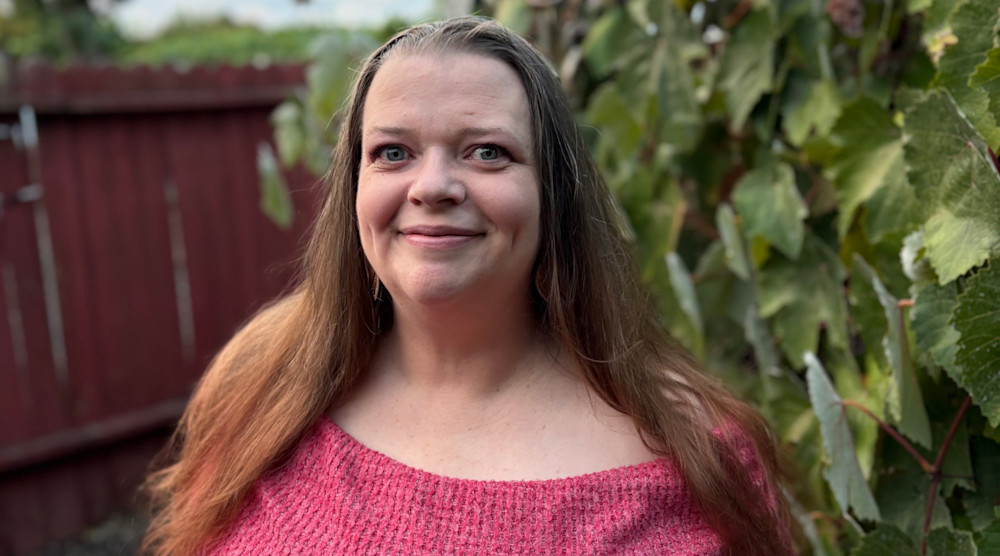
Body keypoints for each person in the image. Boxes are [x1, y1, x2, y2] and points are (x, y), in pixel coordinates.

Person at [142, 16, 793, 555]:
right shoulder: (264, 382)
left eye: (487, 151)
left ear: (553, 195)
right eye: (393, 152)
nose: (432, 187)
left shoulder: (693, 451)